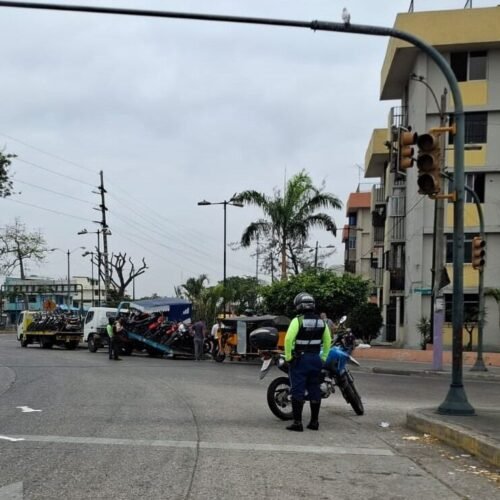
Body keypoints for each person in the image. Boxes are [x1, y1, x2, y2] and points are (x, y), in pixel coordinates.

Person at [284, 292, 331, 432]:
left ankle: (297, 423)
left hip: (300, 360)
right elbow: (328, 341)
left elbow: (287, 340)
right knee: (314, 388)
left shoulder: (297, 321)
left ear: (299, 306)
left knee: (298, 389)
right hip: (316, 359)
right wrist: (323, 358)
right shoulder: (321, 321)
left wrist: (288, 358)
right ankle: (314, 422)